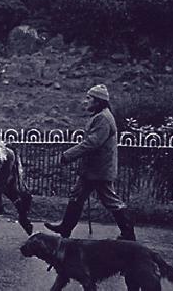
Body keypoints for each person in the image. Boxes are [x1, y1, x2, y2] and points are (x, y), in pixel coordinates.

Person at [44, 84, 136, 241]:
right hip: (92, 170)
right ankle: (65, 228)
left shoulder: (103, 118)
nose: (85, 101)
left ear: (98, 101)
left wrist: (67, 155)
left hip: (99, 170)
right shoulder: (101, 116)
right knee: (77, 195)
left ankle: (128, 234)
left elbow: (92, 143)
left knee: (111, 201)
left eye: (89, 98)